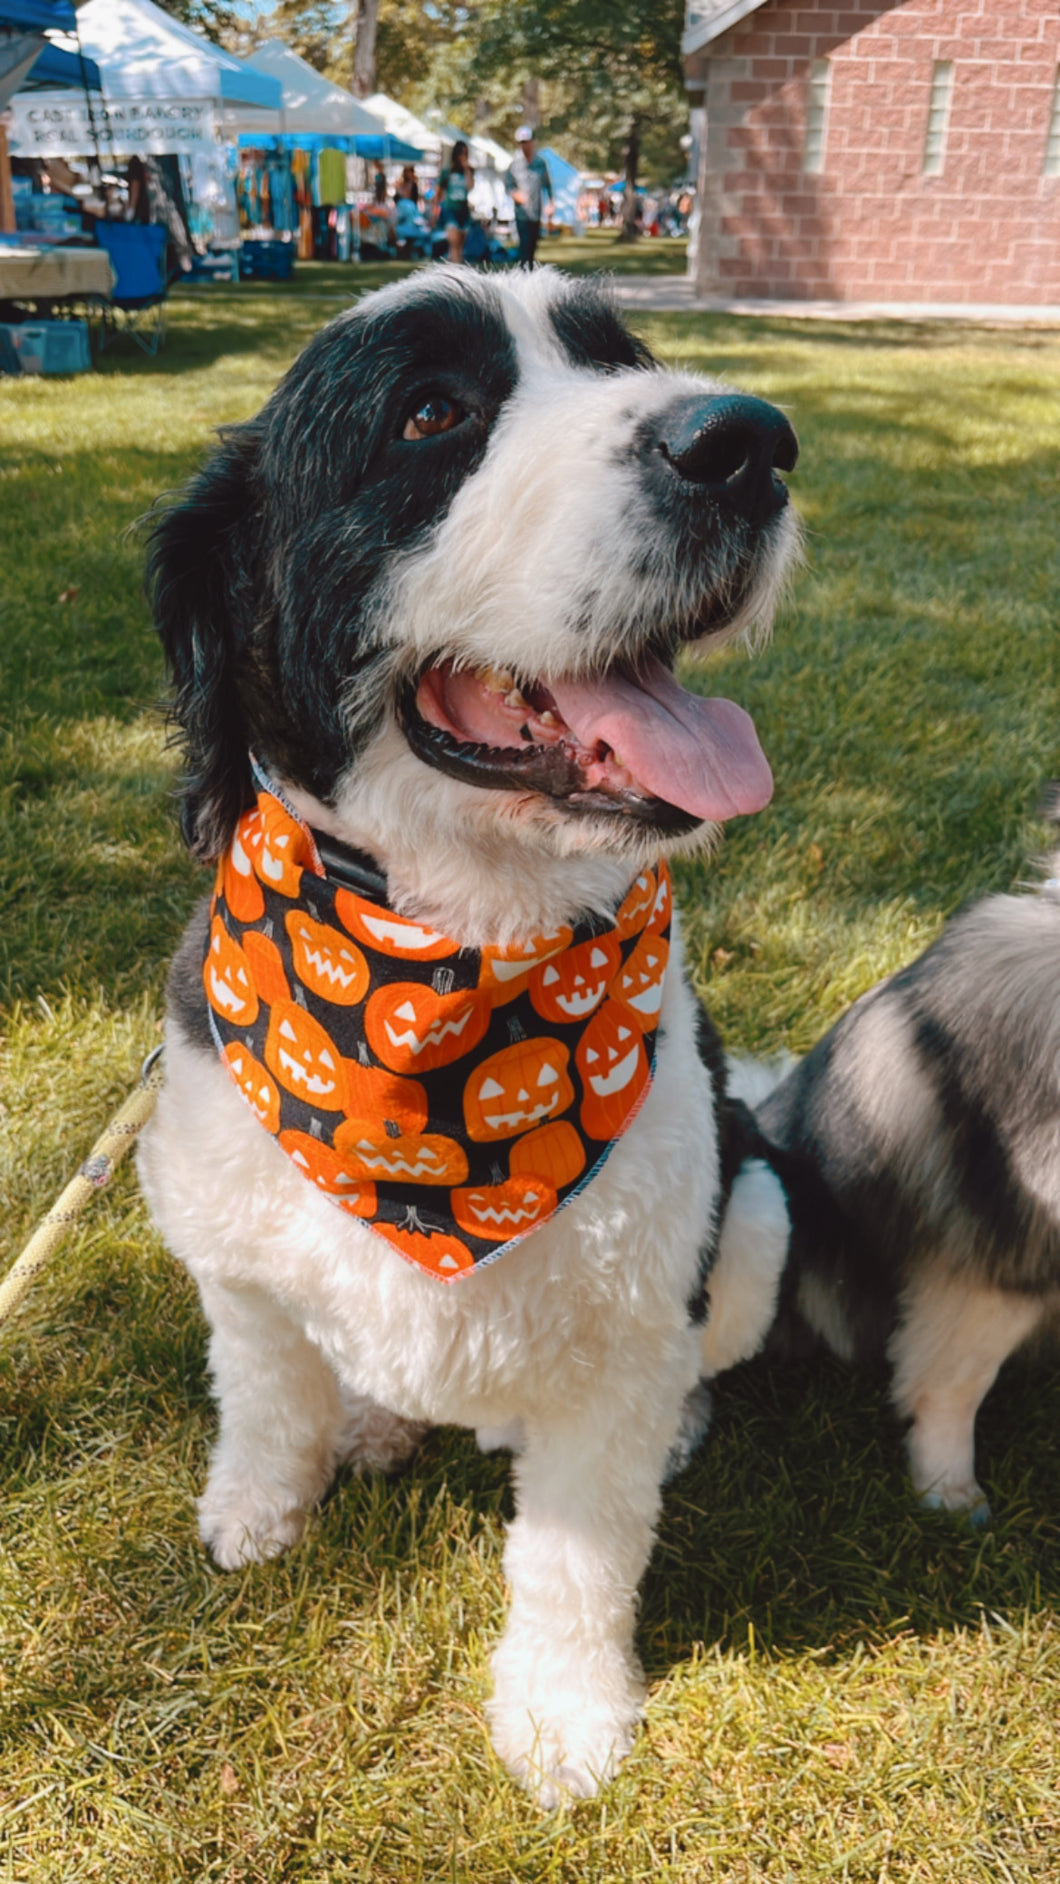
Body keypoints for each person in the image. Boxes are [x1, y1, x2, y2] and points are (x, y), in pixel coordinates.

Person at [505, 128, 553, 268]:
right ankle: (523, 271)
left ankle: (529, 269)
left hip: (536, 210)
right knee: (524, 244)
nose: (524, 145)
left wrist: (551, 202)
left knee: (533, 244)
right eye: (521, 143)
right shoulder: (514, 165)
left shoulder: (540, 163)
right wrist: (515, 194)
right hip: (522, 212)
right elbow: (508, 185)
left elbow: (547, 184)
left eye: (527, 142)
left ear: (532, 142)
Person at [435, 139, 474, 264]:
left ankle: (456, 266)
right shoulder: (447, 172)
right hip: (450, 209)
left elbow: (470, 187)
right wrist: (434, 211)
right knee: (454, 243)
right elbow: (439, 191)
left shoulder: (468, 171)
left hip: (463, 210)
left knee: (461, 245)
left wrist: (467, 169)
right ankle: (455, 270)